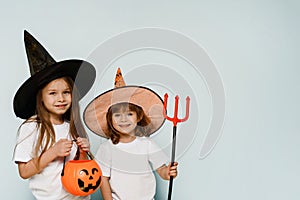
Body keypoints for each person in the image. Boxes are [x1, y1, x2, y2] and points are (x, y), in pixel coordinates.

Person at [13, 30, 96, 200]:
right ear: (41, 98)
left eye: (66, 92)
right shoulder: (32, 127)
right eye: (53, 93)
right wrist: (53, 152)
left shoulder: (71, 126)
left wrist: (82, 152)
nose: (61, 98)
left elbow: (79, 170)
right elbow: (24, 171)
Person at [83, 68, 178, 200]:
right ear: (110, 120)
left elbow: (160, 169)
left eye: (129, 114)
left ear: (138, 116)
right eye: (117, 115)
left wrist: (168, 173)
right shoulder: (107, 148)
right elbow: (103, 178)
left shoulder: (146, 144)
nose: (123, 119)